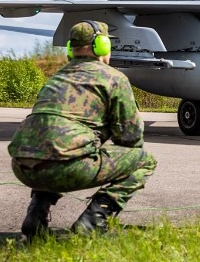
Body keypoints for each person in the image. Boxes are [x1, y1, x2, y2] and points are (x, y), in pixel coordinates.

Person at [8, 20, 156, 238]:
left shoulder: (57, 77)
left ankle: (35, 215)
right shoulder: (113, 78)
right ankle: (93, 222)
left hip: (23, 167)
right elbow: (131, 138)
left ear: (71, 48)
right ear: (102, 45)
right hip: (65, 168)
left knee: (52, 146)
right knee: (144, 160)